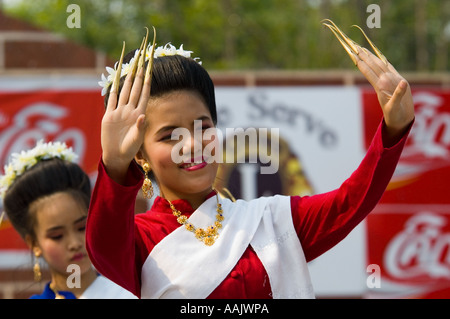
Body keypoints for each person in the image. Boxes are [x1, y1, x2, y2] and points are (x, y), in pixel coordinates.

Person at [86, 22, 415, 298]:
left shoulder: (271, 222)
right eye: (169, 135)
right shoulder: (140, 240)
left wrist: (394, 128)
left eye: (203, 127)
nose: (192, 144)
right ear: (140, 154)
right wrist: (115, 164)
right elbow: (103, 248)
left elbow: (351, 201)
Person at [0, 140, 137, 299]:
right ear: (34, 243)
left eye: (81, 228)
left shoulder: (129, 294)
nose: (74, 243)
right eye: (57, 236)